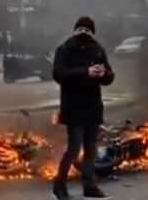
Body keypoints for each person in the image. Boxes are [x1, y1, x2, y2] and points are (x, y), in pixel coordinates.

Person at [51, 16, 115, 200]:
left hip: (93, 106)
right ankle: (59, 185)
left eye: (87, 30)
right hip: (73, 106)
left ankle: (90, 185)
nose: (84, 33)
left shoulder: (97, 50)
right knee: (73, 148)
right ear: (75, 30)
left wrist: (104, 74)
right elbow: (59, 74)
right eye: (81, 29)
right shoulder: (65, 49)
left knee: (91, 149)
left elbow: (109, 76)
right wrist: (85, 72)